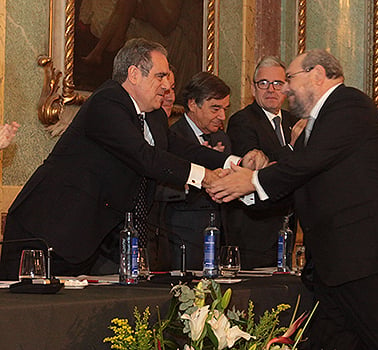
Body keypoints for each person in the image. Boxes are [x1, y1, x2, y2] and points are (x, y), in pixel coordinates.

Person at [205, 49, 378, 349]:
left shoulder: (349, 105)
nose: (285, 89)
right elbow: (299, 179)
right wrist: (240, 189)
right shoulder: (318, 125)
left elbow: (304, 165)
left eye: (289, 79)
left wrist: (252, 181)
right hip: (338, 269)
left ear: (318, 74)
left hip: (374, 264)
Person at [0, 38, 265, 279]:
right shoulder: (107, 102)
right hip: (46, 231)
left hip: (94, 239)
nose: (166, 84)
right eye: (160, 76)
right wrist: (205, 177)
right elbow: (143, 157)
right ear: (134, 74)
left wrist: (235, 162)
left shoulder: (153, 114)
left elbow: (178, 147)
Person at [154, 72, 232, 271]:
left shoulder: (222, 138)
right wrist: (200, 177)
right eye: (215, 108)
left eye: (225, 109)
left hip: (216, 238)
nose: (222, 116)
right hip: (179, 238)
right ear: (192, 104)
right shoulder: (172, 135)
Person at [225, 56, 296, 269]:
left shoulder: (294, 121)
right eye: (263, 83)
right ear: (253, 88)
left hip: (287, 225)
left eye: (277, 84)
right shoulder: (242, 121)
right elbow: (256, 169)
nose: (271, 90)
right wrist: (292, 148)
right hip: (255, 229)